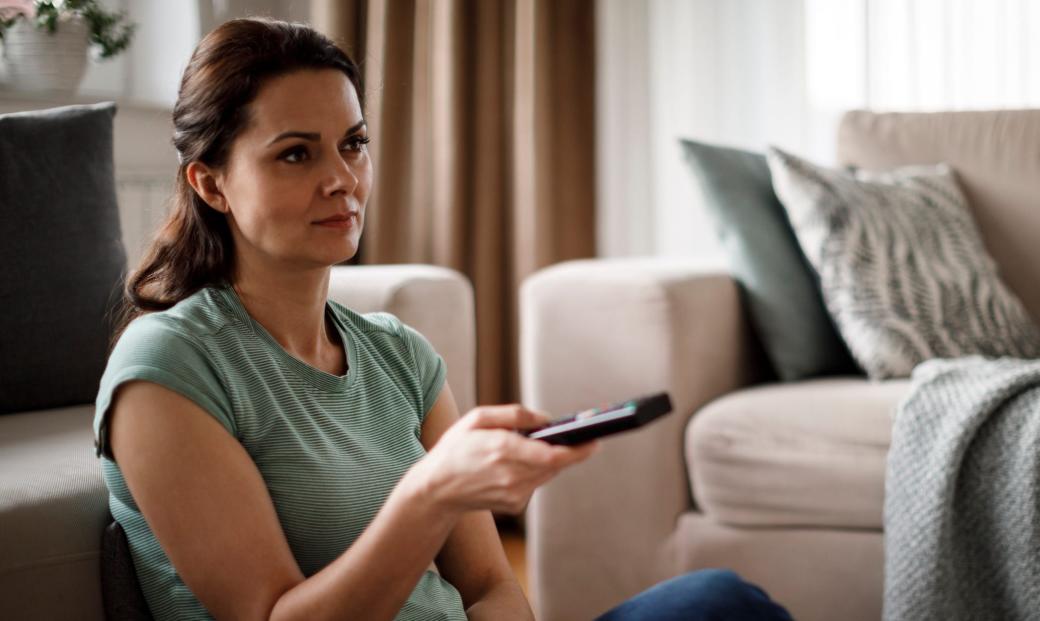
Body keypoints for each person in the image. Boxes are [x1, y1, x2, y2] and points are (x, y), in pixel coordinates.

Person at [95, 17, 792, 621]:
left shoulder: (400, 354)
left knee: (720, 599)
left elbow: (491, 585)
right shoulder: (168, 369)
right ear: (210, 182)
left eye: (354, 142)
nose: (342, 177)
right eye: (296, 153)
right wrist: (431, 492)